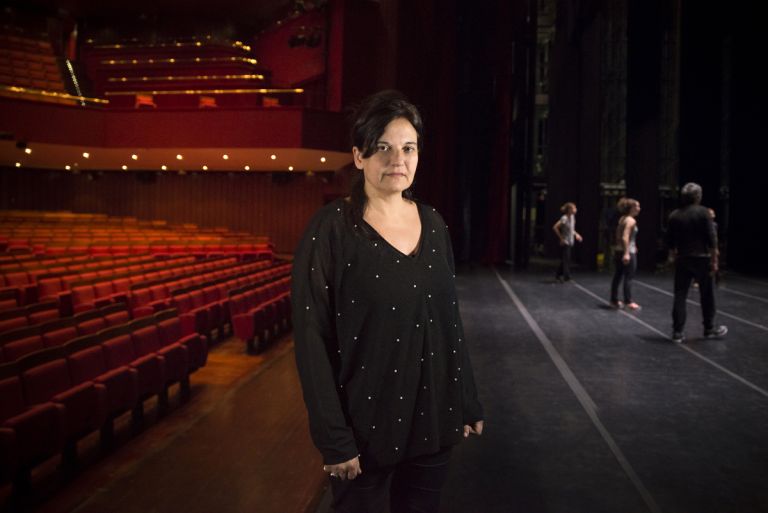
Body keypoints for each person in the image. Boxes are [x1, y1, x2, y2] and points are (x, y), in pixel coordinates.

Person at [291, 90, 484, 513]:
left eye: (408, 148)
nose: (398, 159)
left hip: (432, 417)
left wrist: (465, 397)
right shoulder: (331, 229)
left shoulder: (433, 224)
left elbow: (448, 321)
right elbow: (311, 340)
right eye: (383, 147)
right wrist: (334, 438)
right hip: (363, 430)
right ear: (359, 156)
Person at [666, 183, 727, 343]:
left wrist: (672, 258)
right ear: (698, 196)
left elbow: (670, 242)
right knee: (707, 295)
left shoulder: (674, 215)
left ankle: (677, 331)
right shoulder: (704, 213)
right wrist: (715, 260)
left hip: (683, 258)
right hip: (702, 258)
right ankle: (709, 328)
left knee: (680, 295)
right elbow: (712, 238)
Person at [609, 198, 641, 310]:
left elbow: (619, 235)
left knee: (617, 276)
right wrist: (627, 253)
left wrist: (632, 245)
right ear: (631, 208)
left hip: (619, 250)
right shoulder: (631, 220)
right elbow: (625, 236)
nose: (639, 208)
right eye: (637, 206)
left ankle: (614, 300)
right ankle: (628, 301)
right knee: (629, 277)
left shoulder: (622, 218)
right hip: (627, 252)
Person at [552, 202, 583, 282]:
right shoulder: (564, 218)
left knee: (565, 259)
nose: (575, 210)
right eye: (574, 208)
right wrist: (561, 238)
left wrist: (577, 235)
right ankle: (566, 276)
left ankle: (558, 274)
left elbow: (572, 229)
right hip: (565, 241)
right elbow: (555, 227)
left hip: (570, 240)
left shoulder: (573, 217)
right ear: (569, 210)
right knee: (566, 259)